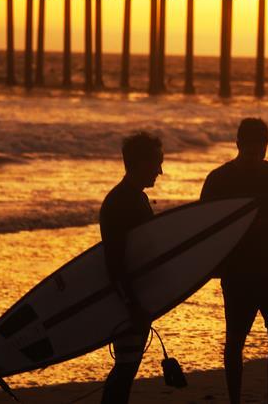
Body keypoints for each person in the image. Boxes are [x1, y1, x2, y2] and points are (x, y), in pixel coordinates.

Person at [200, 118, 268, 404]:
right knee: (235, 340)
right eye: (252, 149)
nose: (258, 155)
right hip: (237, 272)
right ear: (238, 145)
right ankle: (234, 400)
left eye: (262, 149)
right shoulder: (219, 179)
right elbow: (206, 228)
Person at [99, 132, 164, 403]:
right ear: (139, 163)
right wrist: (131, 304)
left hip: (136, 295)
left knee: (128, 365)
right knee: (125, 367)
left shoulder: (135, 197)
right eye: (156, 164)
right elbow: (115, 261)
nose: (160, 171)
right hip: (127, 299)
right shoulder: (120, 202)